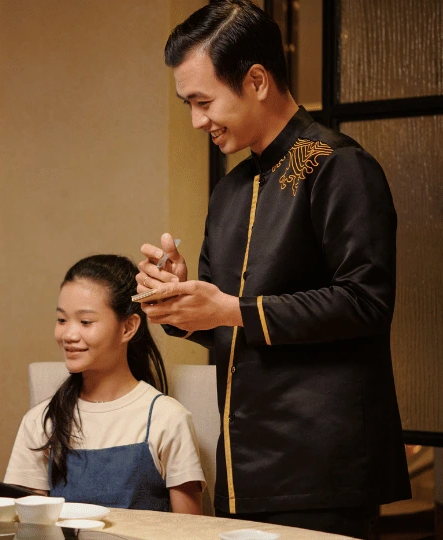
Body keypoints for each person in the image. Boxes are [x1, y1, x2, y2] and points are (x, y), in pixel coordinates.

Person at [133, 1, 410, 536]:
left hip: (323, 468)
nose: (197, 120)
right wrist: (180, 300)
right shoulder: (231, 190)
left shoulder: (337, 165)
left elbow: (366, 302)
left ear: (257, 80)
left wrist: (230, 310)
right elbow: (225, 319)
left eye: (204, 101)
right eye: (188, 104)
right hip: (244, 465)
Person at [4, 254, 205, 514]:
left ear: (128, 328)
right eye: (62, 320)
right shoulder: (41, 422)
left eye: (85, 322)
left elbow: (189, 530)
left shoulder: (168, 419)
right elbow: (29, 526)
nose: (68, 335)